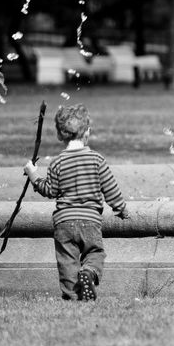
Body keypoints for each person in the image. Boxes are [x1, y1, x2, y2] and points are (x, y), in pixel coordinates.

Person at [24, 104, 129, 301]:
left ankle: (72, 297)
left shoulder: (58, 162)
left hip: (64, 223)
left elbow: (50, 190)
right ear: (87, 132)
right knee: (94, 253)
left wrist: (33, 175)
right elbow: (111, 189)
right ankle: (89, 272)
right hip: (90, 221)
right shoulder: (97, 159)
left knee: (67, 262)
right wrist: (121, 209)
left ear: (59, 136)